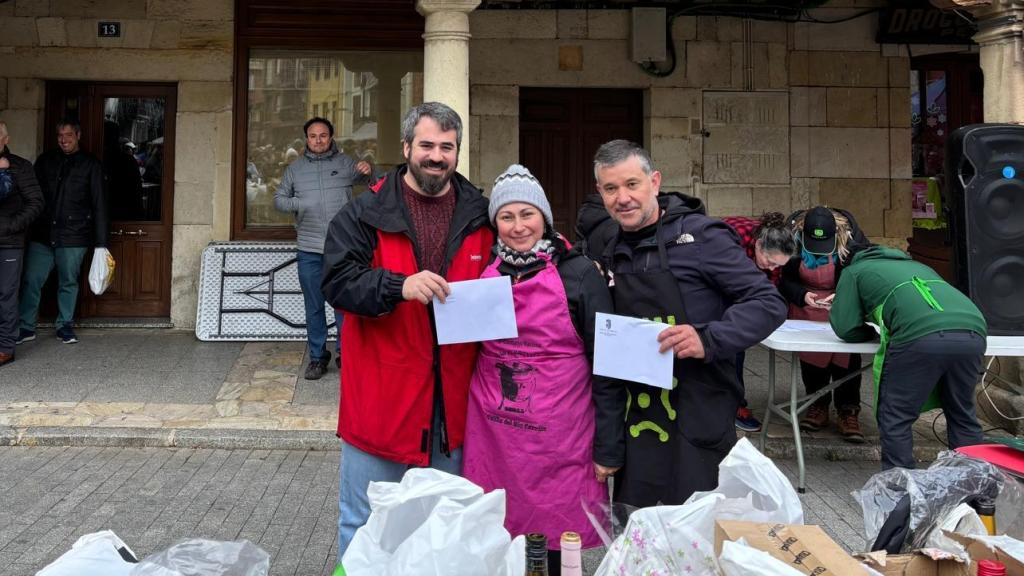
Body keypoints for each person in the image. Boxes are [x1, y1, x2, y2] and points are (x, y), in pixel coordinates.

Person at [320, 102, 494, 562]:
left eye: (446, 147)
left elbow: (529, 248)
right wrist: (398, 285)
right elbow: (337, 281)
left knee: (445, 524)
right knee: (365, 522)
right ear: (406, 148)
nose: (436, 156)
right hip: (380, 401)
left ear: (458, 152)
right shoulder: (363, 213)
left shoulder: (482, 214)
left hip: (450, 410)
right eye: (427, 145)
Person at [593, 140, 786, 506]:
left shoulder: (702, 237)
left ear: (654, 182)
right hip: (641, 418)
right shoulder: (608, 244)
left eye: (632, 184)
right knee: (640, 532)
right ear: (600, 193)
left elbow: (767, 302)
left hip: (699, 410)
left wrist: (709, 338)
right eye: (611, 188)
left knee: (695, 534)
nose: (623, 198)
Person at [462, 165, 623, 571]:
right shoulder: (483, 276)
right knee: (496, 535)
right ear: (495, 223)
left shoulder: (581, 274)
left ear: (545, 218)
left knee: (555, 545)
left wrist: (609, 446)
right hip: (495, 436)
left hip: (562, 442)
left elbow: (606, 366)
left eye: (527, 214)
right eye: (507, 216)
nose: (518, 227)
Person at [829, 243, 986, 469]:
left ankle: (900, 494)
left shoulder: (854, 271)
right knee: (962, 414)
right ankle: (978, 496)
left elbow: (845, 327)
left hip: (919, 333)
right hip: (973, 329)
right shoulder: (920, 266)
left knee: (896, 416)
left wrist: (870, 331)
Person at [274, 117, 371, 380]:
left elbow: (372, 183)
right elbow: (279, 200)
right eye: (313, 136)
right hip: (309, 248)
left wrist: (367, 170)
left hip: (342, 248)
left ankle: (345, 353)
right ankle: (317, 358)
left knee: (343, 305)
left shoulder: (344, 163)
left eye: (323, 135)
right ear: (306, 139)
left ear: (331, 137)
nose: (318, 140)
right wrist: (300, 205)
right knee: (314, 306)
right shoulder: (295, 169)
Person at [780, 206, 869, 442]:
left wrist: (844, 294)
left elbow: (863, 275)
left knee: (847, 358)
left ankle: (848, 410)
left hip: (841, 305)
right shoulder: (791, 240)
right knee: (812, 358)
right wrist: (801, 295)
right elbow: (784, 278)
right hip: (806, 307)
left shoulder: (853, 243)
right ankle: (817, 404)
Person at [18, 119, 108, 345]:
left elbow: (99, 205)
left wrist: (101, 242)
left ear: (78, 135)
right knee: (31, 279)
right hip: (43, 234)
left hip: (74, 234)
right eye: (60, 135)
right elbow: (33, 197)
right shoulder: (45, 161)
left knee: (68, 281)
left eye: (68, 135)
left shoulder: (91, 164)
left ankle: (64, 325)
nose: (64, 139)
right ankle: (26, 326)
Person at [721, 212, 798, 432]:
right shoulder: (732, 237)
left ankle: (733, 402)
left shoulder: (774, 255)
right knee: (729, 346)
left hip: (739, 295)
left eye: (778, 265)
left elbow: (769, 286)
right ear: (759, 245)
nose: (773, 268)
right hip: (711, 287)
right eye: (771, 262)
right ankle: (732, 405)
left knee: (738, 346)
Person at [0, 121, 44, 366]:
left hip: (9, 243)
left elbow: (36, 203)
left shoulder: (20, 167)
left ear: (6, 140)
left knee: (6, 295)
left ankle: (5, 347)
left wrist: (11, 226)